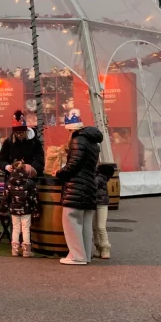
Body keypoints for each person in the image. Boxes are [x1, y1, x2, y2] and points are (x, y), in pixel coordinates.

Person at [55, 110, 103, 265]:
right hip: (89, 186)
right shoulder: (93, 142)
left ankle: (77, 256)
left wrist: (60, 173)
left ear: (71, 129)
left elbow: (74, 164)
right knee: (86, 223)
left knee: (72, 220)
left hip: (76, 187)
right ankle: (86, 254)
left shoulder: (78, 139)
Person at [3, 160, 39, 257]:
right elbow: (34, 197)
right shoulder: (29, 182)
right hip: (26, 209)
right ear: (24, 169)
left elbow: (6, 196)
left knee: (15, 228)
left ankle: (14, 250)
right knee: (26, 228)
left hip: (14, 209)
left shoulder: (9, 182)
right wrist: (36, 209)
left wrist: (5, 207)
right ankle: (26, 250)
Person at [0, 110, 44, 177]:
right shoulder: (8, 142)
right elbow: (1, 160)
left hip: (30, 177)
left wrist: (30, 169)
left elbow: (39, 160)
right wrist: (6, 166)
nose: (19, 135)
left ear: (25, 131)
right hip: (12, 176)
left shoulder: (35, 143)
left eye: (21, 132)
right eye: (16, 133)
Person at [94, 163, 114, 260]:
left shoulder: (99, 177)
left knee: (99, 227)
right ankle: (101, 249)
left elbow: (94, 185)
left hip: (99, 203)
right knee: (98, 227)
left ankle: (104, 248)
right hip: (101, 203)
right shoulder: (102, 177)